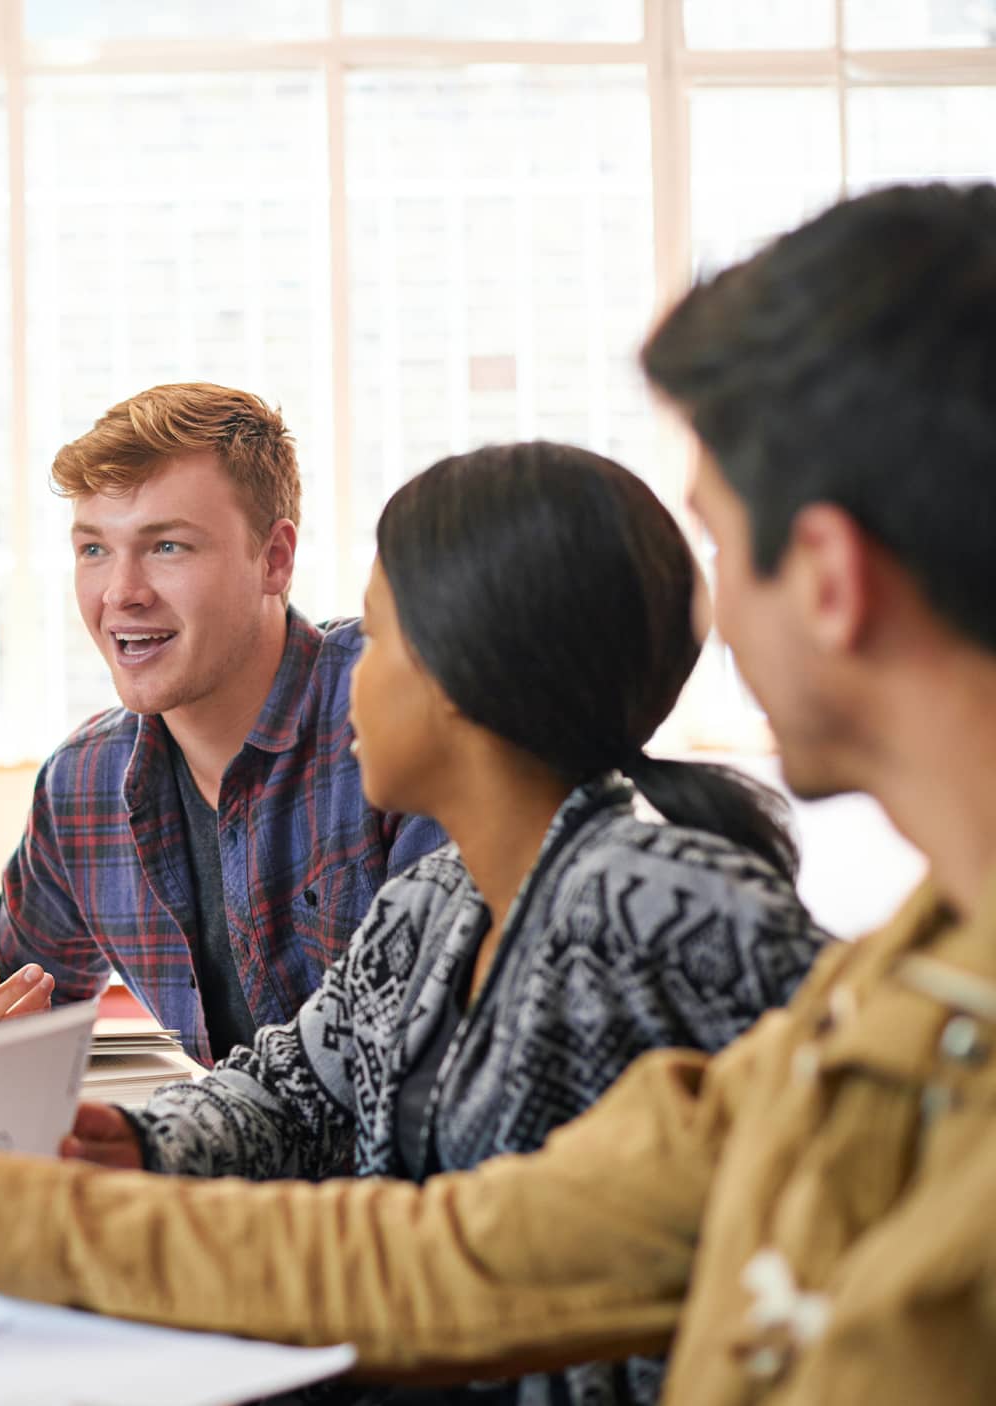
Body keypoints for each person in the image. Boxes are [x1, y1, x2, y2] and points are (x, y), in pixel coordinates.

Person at [0, 184, 996, 1402]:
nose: (698, 606)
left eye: (720, 536)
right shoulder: (926, 982)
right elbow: (447, 1250)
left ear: (835, 578)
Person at [58, 440, 827, 1405]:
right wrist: (133, 1142)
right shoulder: (428, 908)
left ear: (467, 673)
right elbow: (292, 1093)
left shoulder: (668, 911)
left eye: (377, 641)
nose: (348, 680)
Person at [0, 384, 447, 1062]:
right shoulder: (84, 784)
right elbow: (5, 1016)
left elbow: (428, 1059)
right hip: (213, 1154)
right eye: (93, 550)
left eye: (167, 546)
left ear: (274, 559)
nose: (121, 592)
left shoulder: (395, 714)